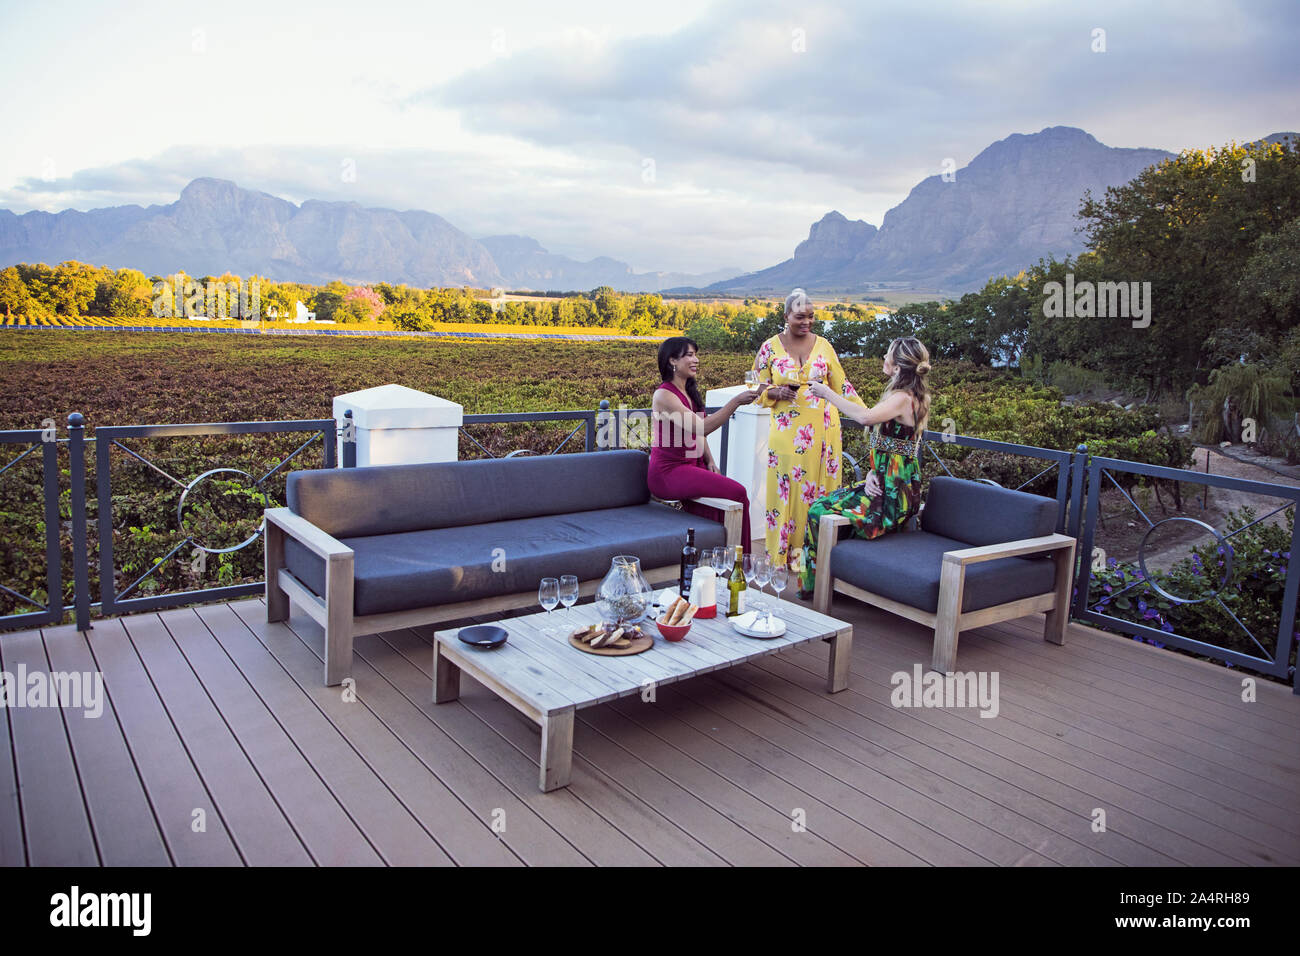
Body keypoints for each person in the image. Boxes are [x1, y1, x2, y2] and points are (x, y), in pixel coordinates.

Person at [799, 336, 933, 598]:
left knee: (818, 510)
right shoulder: (911, 396)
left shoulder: (903, 398)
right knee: (826, 507)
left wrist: (827, 393)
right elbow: (901, 448)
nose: (883, 358)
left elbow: (864, 417)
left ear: (897, 367)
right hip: (889, 480)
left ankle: (817, 586)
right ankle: (833, 581)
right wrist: (874, 471)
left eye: (887, 355)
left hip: (895, 492)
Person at [754, 288, 865, 573]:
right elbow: (755, 388)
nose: (807, 322)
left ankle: (811, 556)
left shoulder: (825, 346)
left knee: (818, 493)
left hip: (824, 432)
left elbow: (843, 386)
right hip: (786, 432)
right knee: (785, 491)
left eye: (811, 317)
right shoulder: (769, 347)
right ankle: (782, 556)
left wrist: (869, 415)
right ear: (786, 316)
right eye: (800, 316)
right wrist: (776, 392)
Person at [648, 336, 758, 551]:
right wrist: (735, 402)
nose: (696, 359)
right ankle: (741, 564)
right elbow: (702, 427)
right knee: (738, 492)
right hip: (668, 472)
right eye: (689, 355)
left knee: (720, 497)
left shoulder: (688, 392)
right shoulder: (664, 395)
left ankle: (711, 559)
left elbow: (697, 433)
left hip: (691, 466)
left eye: (696, 354)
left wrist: (710, 460)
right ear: (672, 361)